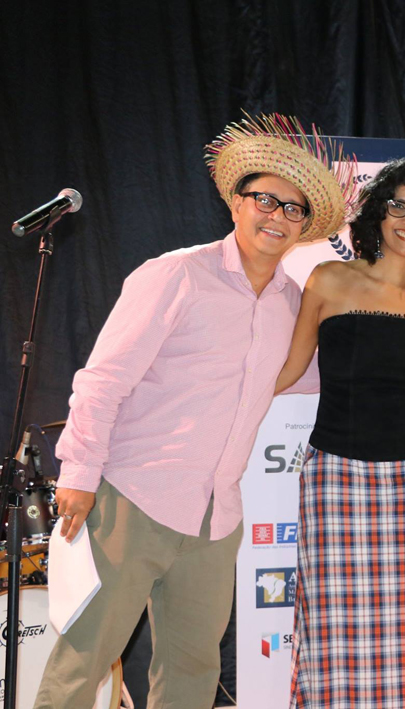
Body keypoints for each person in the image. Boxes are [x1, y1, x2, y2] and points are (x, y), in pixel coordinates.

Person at [36, 113, 356, 709]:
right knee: (83, 661)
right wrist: (78, 474)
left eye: (293, 209)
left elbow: (315, 378)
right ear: (237, 202)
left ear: (304, 227)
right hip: (132, 498)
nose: (277, 216)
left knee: (193, 671)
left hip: (217, 519)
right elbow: (103, 380)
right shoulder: (176, 274)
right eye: (266, 200)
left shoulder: (293, 304)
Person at [275, 157, 405, 708]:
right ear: (377, 211)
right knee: (334, 634)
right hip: (336, 481)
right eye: (399, 206)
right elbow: (288, 370)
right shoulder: (329, 278)